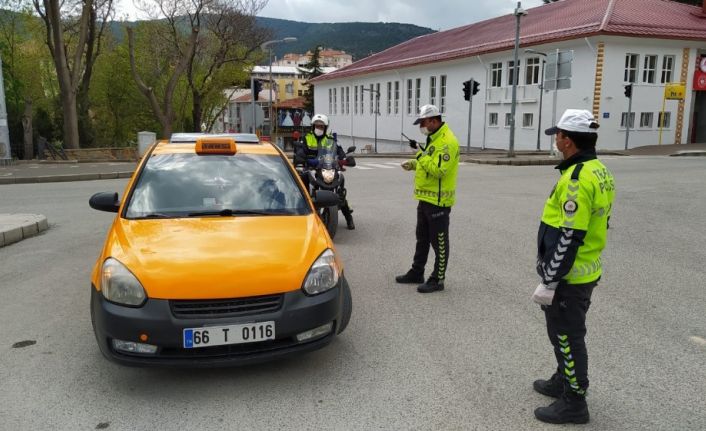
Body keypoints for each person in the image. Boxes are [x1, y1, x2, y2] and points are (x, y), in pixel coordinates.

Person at [531, 109, 615, 424]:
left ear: (568, 140)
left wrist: (550, 280)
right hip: (584, 270)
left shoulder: (577, 179)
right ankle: (563, 379)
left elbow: (569, 236)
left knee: (567, 335)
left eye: (558, 134)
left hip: (569, 276)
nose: (556, 139)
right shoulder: (599, 170)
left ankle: (575, 401)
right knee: (562, 333)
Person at [395, 104, 459, 293]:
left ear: (434, 120)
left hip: (438, 202)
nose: (421, 127)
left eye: (423, 122)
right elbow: (428, 161)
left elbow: (439, 170)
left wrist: (419, 155)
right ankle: (417, 272)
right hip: (425, 199)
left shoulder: (447, 142)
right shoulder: (434, 139)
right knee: (421, 238)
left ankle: (438, 279)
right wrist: (414, 164)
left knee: (439, 242)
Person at [298, 114, 355, 230]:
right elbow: (300, 152)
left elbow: (339, 152)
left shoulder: (330, 139)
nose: (319, 128)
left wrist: (343, 160)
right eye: (317, 126)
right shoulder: (306, 138)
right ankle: (301, 210)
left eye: (321, 126)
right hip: (312, 168)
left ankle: (348, 217)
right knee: (302, 181)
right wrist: (302, 160)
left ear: (325, 128)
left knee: (340, 185)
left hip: (327, 167)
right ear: (313, 126)